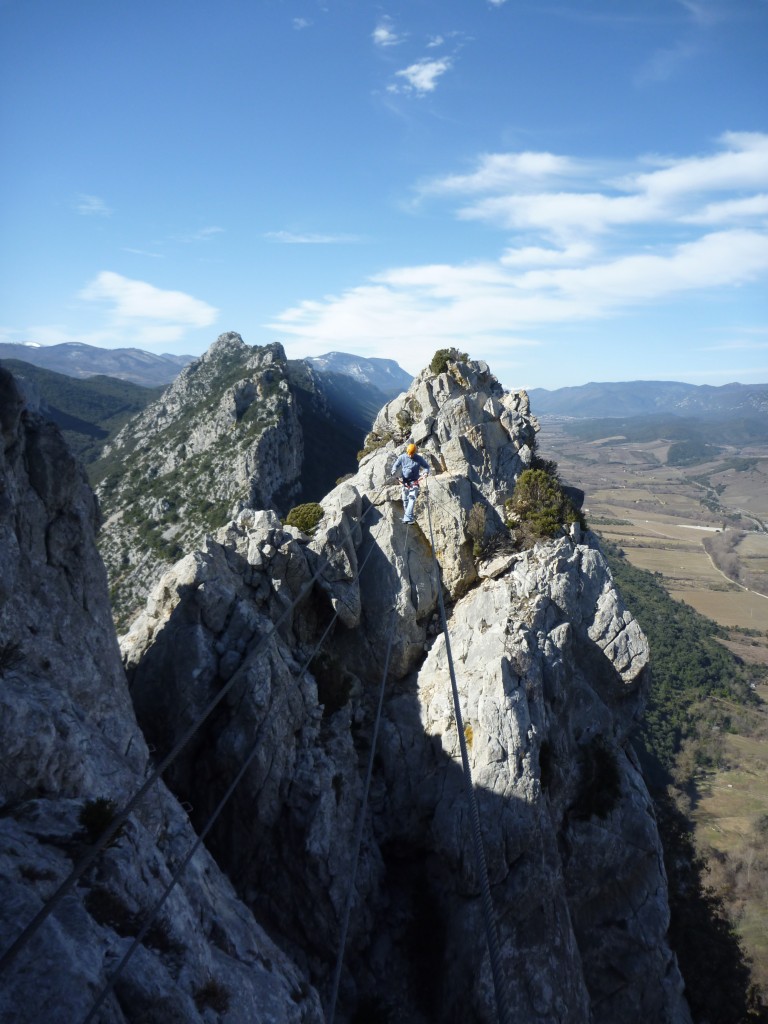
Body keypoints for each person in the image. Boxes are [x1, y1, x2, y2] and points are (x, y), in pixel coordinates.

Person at [390, 442, 430, 523]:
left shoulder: (419, 458)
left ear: (415, 452)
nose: (410, 456)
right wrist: (394, 471)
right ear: (407, 452)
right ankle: (407, 517)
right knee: (405, 500)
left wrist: (425, 472)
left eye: (412, 454)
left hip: (414, 481)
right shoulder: (402, 457)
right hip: (404, 482)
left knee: (412, 498)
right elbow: (395, 465)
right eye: (409, 454)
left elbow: (426, 466)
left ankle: (408, 518)